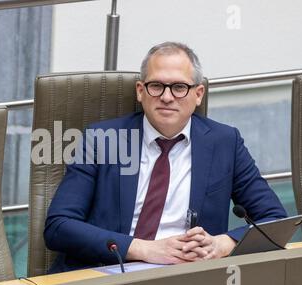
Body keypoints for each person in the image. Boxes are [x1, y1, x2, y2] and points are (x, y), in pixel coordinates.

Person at [44, 42, 287, 273]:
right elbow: (59, 226)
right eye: (157, 86)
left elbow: (275, 220)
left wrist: (222, 244)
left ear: (198, 94)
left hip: (188, 279)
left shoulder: (225, 142)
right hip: (108, 275)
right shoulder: (102, 139)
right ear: (141, 91)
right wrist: (144, 248)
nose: (167, 97)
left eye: (180, 87)